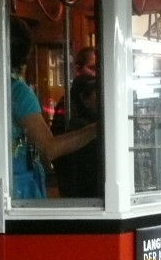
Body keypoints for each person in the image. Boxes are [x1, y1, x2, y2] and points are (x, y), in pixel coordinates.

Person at [9, 20, 97, 199]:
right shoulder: (18, 92)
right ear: (26, 53)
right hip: (18, 192)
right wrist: (99, 127)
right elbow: (49, 148)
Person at [51, 46, 97, 134]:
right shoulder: (66, 103)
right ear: (78, 70)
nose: (97, 73)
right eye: (92, 68)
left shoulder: (105, 96)